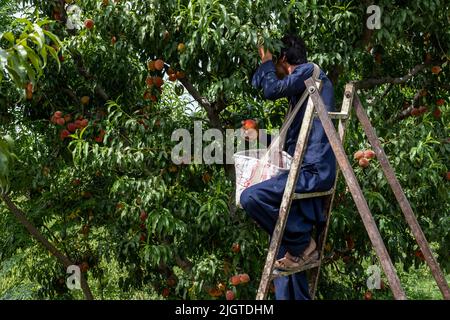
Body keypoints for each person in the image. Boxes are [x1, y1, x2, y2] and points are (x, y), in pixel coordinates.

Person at [240, 35, 336, 300]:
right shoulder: (302, 97)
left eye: (275, 62)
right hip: (303, 172)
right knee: (283, 251)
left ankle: (304, 244)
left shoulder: (310, 72)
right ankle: (298, 245)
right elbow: (289, 142)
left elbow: (270, 90)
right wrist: (259, 137)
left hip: (312, 173)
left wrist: (265, 61)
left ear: (283, 59)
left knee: (250, 197)